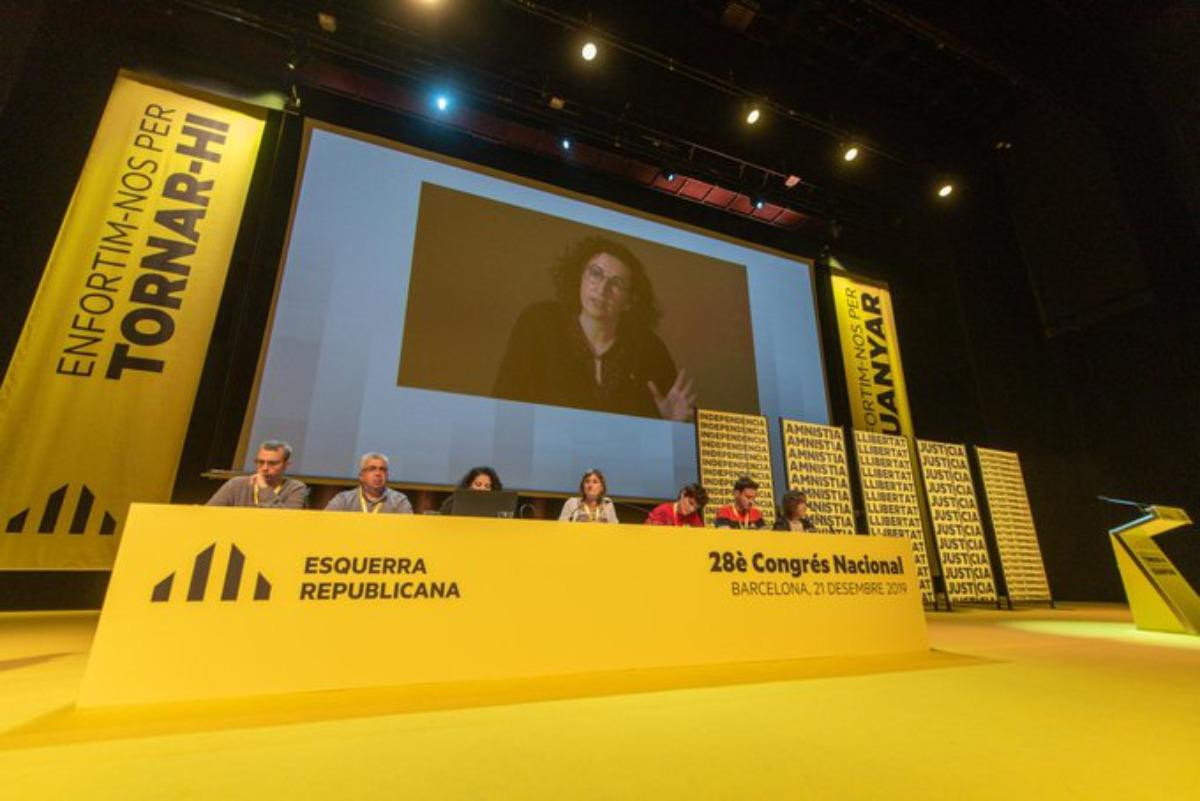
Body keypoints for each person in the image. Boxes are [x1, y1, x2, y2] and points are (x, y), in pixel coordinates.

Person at [493, 236, 695, 420]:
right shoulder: (539, 323)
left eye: (616, 283)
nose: (602, 289)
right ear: (580, 277)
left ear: (629, 301)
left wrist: (670, 424)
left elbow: (667, 441)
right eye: (595, 274)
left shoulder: (649, 349)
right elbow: (502, 406)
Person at [206, 440, 309, 508]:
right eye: (260, 462)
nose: (264, 468)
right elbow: (209, 513)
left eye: (272, 463)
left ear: (286, 465)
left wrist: (264, 488)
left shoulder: (295, 488)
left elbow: (288, 521)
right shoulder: (236, 484)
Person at [325, 452, 413, 514]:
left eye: (382, 469)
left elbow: (407, 530)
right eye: (372, 469)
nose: (378, 473)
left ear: (387, 475)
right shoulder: (344, 500)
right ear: (361, 476)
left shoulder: (399, 501)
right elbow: (325, 524)